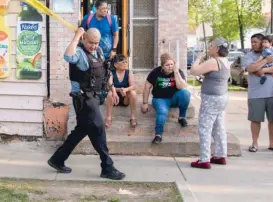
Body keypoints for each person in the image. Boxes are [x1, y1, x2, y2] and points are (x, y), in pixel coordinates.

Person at [47, 27, 125, 180]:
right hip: (83, 99)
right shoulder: (79, 53)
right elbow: (67, 56)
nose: (94, 46)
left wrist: (113, 89)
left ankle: (57, 159)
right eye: (91, 42)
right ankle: (107, 167)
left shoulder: (99, 52)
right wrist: (77, 35)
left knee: (81, 131)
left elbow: (105, 73)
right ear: (84, 39)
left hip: (94, 97)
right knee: (99, 128)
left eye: (96, 43)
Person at [189, 37, 231, 169]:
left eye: (211, 45)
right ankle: (220, 155)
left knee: (205, 128)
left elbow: (194, 71)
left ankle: (204, 159)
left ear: (218, 48)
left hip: (211, 99)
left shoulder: (214, 61)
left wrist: (198, 58)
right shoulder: (225, 61)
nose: (209, 47)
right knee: (219, 127)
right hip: (222, 97)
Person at [243, 33, 273, 153]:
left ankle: (272, 143)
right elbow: (250, 68)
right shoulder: (249, 55)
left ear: (263, 42)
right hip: (255, 94)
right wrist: (266, 60)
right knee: (255, 119)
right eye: (252, 42)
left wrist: (262, 69)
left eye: (255, 42)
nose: (253, 44)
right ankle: (254, 143)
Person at [142, 53, 191, 144]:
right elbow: (146, 87)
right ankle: (158, 135)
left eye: (172, 64)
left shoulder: (178, 71)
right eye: (167, 65)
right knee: (163, 112)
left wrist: (176, 72)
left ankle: (181, 117)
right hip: (160, 99)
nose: (170, 67)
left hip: (173, 98)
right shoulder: (155, 72)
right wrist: (144, 103)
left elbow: (181, 87)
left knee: (185, 93)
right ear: (162, 66)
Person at [105, 54, 138, 128]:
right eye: (122, 62)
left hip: (125, 98)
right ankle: (108, 118)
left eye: (126, 62)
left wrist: (126, 89)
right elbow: (109, 86)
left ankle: (133, 118)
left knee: (133, 93)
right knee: (110, 93)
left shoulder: (128, 72)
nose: (125, 64)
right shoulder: (111, 72)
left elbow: (133, 86)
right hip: (114, 98)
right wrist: (119, 90)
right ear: (116, 65)